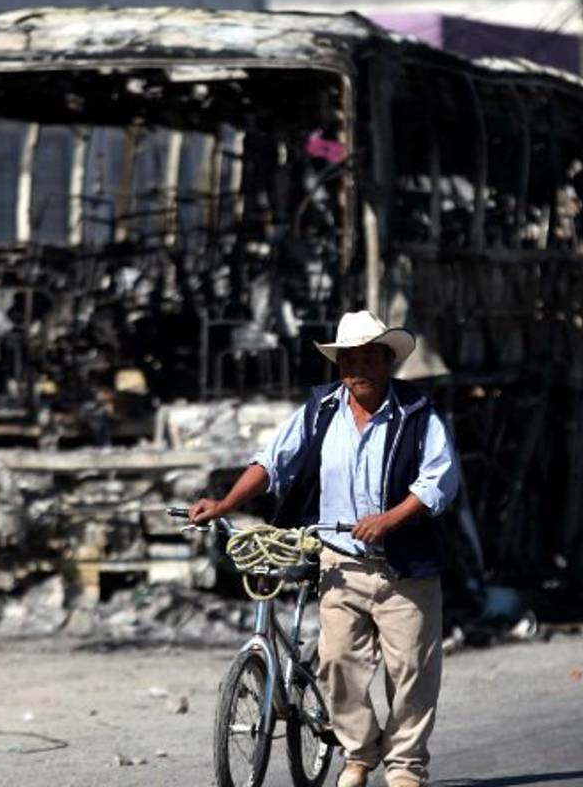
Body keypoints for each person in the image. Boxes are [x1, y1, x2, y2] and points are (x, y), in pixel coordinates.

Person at [190, 309, 460, 787]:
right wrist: (225, 502)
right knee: (337, 664)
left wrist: (390, 518)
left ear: (387, 361)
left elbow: (439, 480)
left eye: (368, 358)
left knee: (412, 673)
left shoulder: (418, 413)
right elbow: (272, 464)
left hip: (406, 567)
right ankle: (359, 753)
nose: (359, 369)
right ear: (339, 366)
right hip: (338, 562)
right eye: (349, 360)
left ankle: (405, 768)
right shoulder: (320, 410)